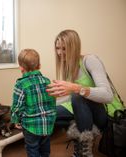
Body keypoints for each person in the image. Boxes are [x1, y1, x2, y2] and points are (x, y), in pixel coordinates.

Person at [46, 29, 114, 157]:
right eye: (57, 48)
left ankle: (84, 150)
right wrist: (49, 101)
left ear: (74, 47)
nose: (60, 53)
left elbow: (108, 95)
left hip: (102, 113)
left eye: (64, 49)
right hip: (80, 108)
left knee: (78, 96)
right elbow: (68, 97)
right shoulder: (68, 66)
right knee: (47, 114)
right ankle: (80, 132)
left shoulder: (90, 60)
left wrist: (77, 88)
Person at [11, 49, 56, 157]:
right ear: (39, 66)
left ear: (21, 68)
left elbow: (17, 106)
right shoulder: (47, 81)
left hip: (31, 126)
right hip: (48, 123)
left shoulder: (21, 84)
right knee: (45, 148)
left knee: (32, 148)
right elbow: (52, 101)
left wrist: (15, 119)